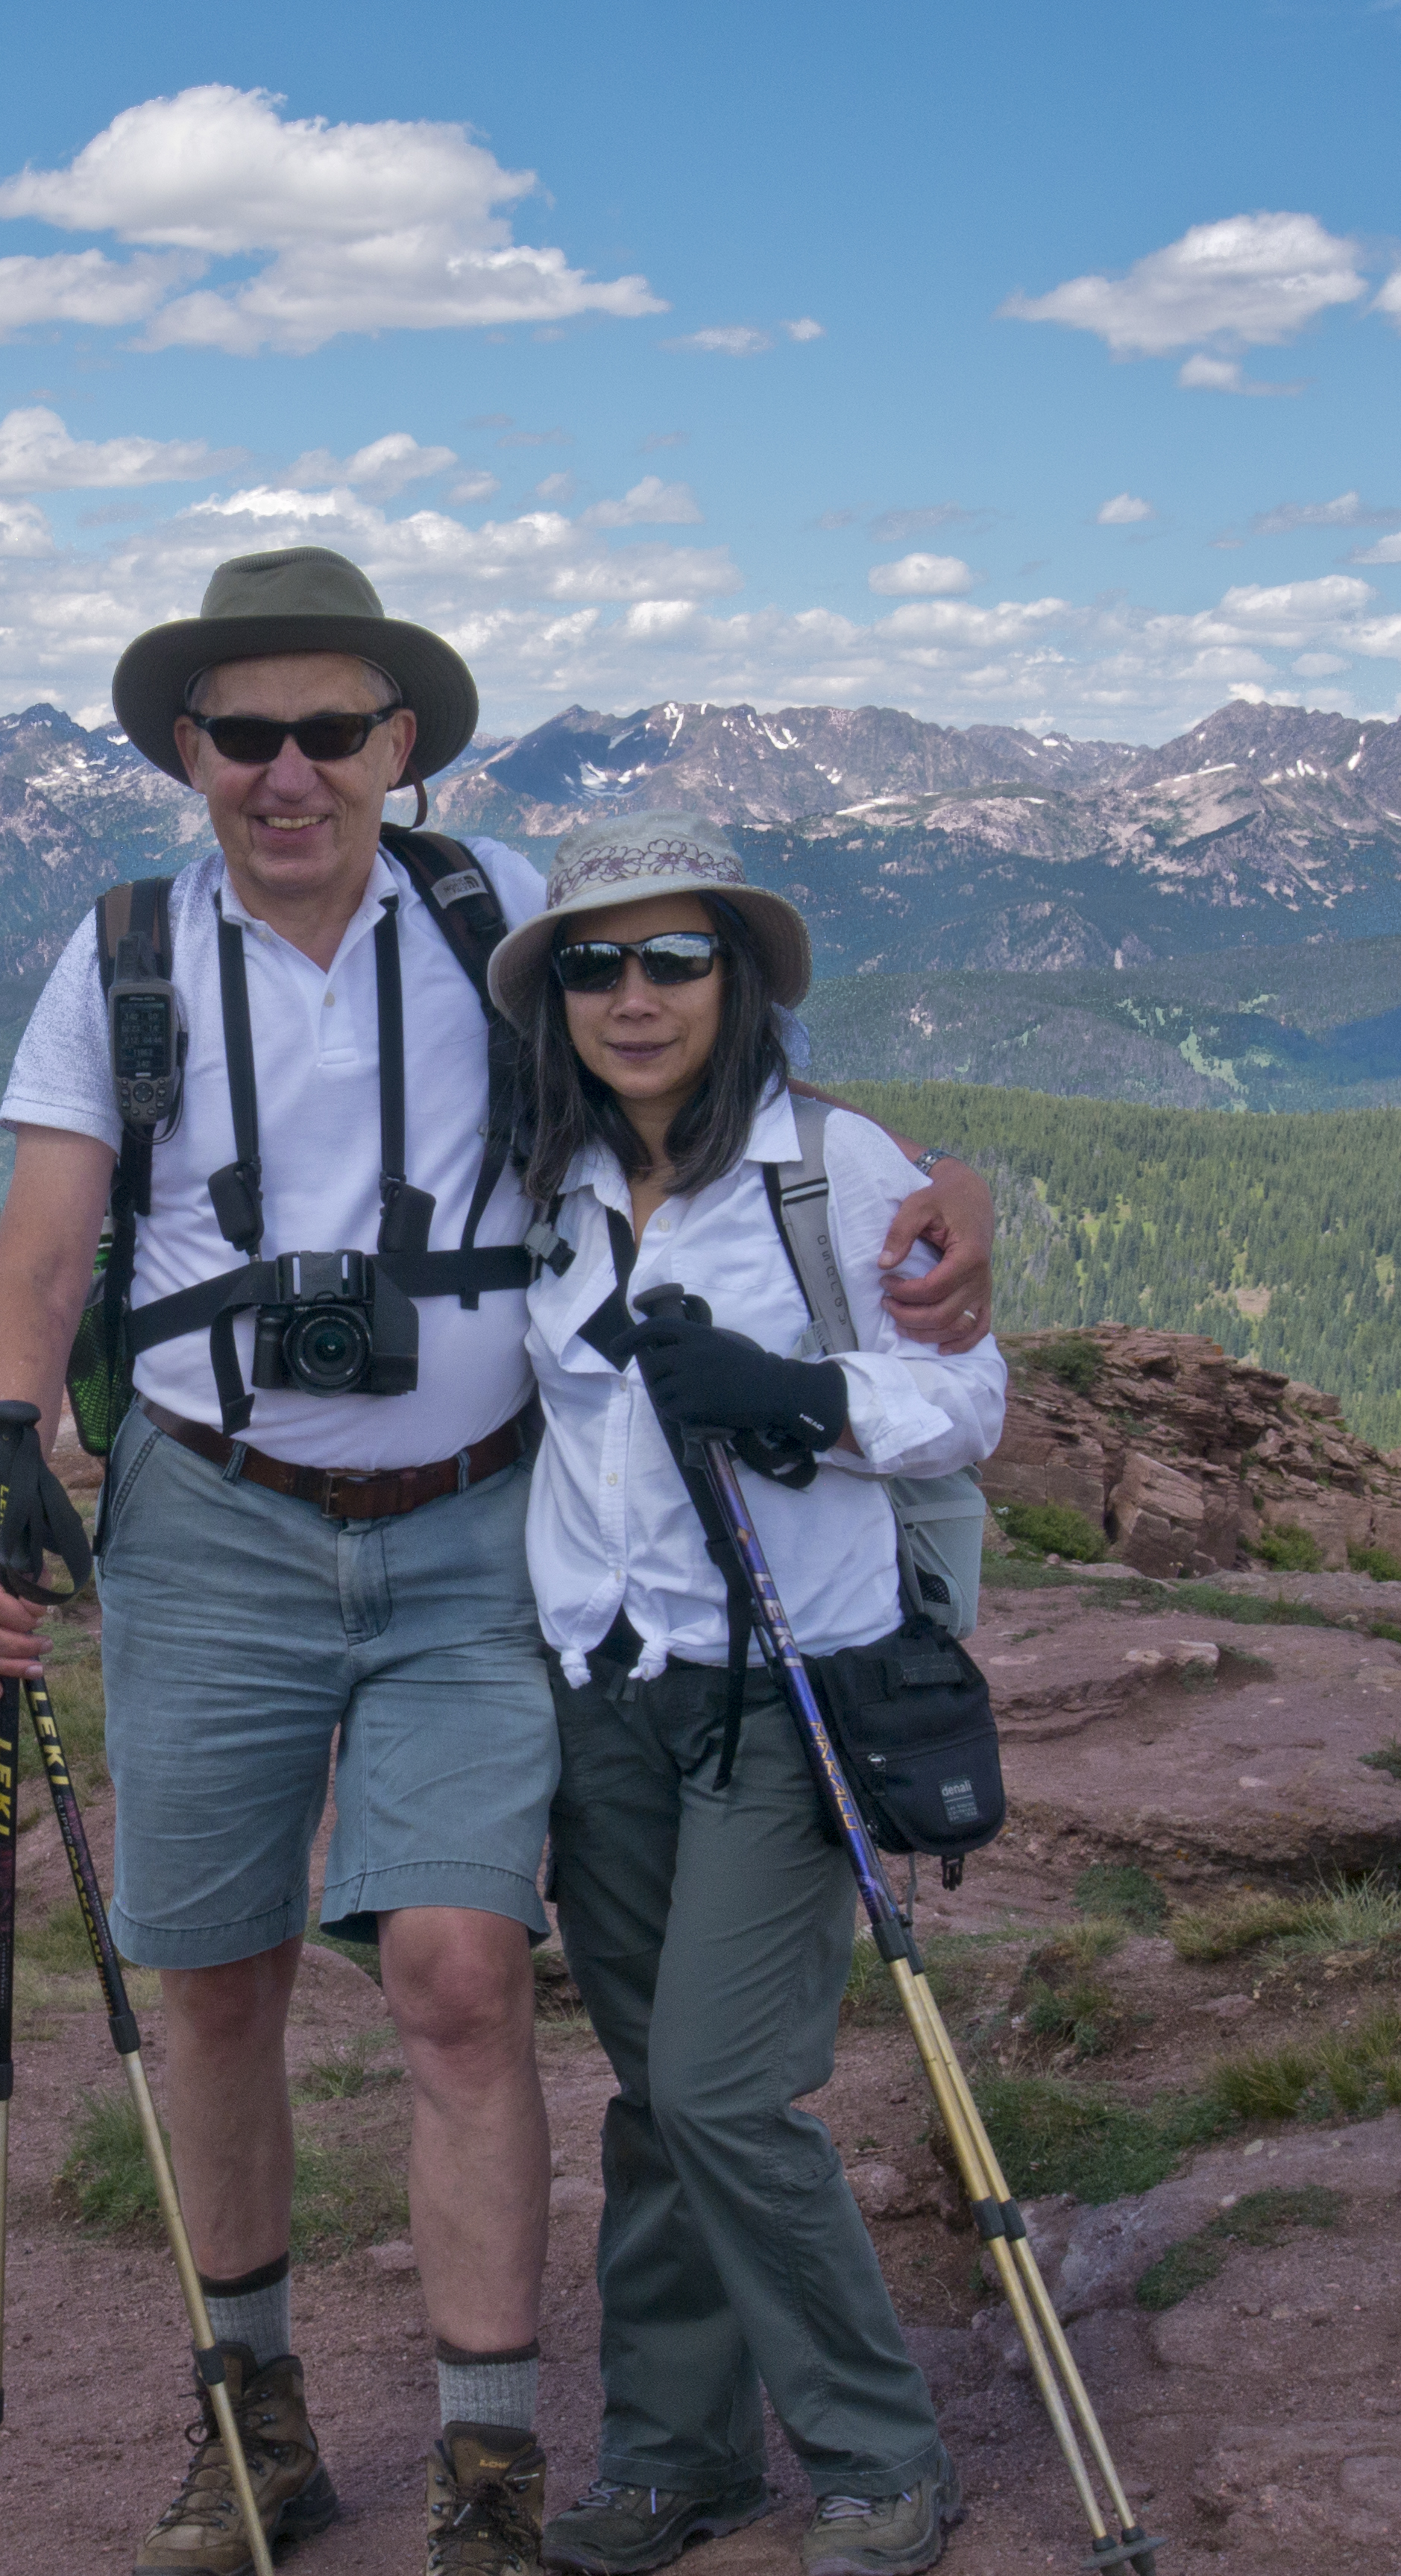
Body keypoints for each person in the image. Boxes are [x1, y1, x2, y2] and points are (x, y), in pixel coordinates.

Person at [0, 549, 998, 2576]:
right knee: (214, 1983)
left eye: (329, 731)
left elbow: (703, 1051)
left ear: (400, 741)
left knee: (457, 1972)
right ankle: (254, 2424)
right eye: (244, 734)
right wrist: (3, 1482)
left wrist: (946, 1184)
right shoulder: (123, 957)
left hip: (469, 1529)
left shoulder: (497, 911)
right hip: (210, 1514)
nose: (288, 772)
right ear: (187, 750)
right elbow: (46, 1244)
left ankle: (491, 2455)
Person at [482, 814, 1007, 2576]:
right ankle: (674, 2455)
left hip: (790, 1691)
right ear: (558, 999)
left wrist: (799, 1397)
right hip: (605, 1690)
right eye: (594, 967)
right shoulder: (541, 1180)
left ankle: (878, 2454)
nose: (633, 997)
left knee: (714, 2088)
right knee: (655, 2095)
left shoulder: (833, 1171)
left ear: (738, 980)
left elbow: (970, 1402)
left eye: (675, 960)